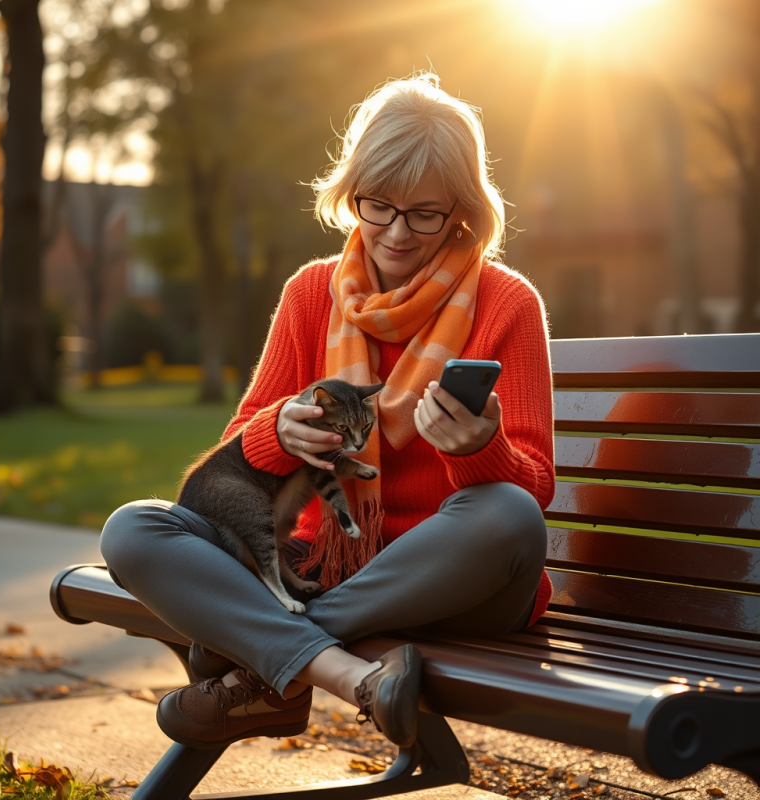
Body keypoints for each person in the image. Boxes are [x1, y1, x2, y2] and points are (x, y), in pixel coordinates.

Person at [100, 72, 554, 752]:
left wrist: (477, 450)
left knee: (508, 513)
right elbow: (230, 472)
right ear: (353, 194)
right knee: (134, 529)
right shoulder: (313, 293)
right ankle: (345, 674)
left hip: (457, 583)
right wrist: (274, 434)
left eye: (424, 213)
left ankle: (261, 660)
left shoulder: (507, 303)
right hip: (320, 564)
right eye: (379, 206)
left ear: (461, 209)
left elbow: (535, 492)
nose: (396, 234)